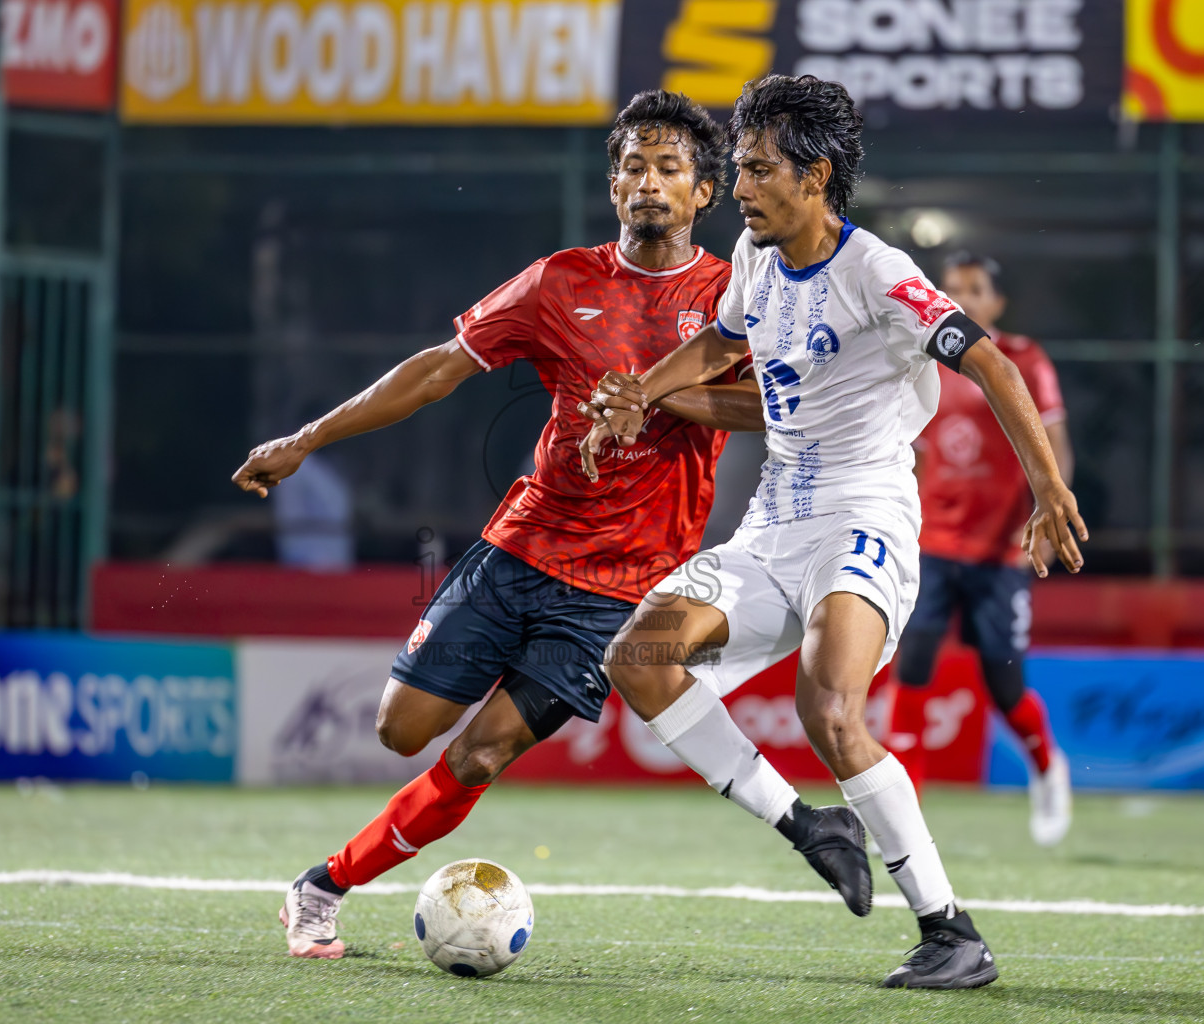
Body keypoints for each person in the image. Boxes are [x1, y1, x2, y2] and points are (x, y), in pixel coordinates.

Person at [230, 90, 874, 961]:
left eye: (669, 169)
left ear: (703, 195)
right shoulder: (560, 281)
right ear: (613, 186)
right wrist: (306, 440)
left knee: (483, 755)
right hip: (519, 549)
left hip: (619, 592)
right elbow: (434, 373)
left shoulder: (738, 291)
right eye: (632, 168)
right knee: (400, 729)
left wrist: (660, 394)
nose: (648, 183)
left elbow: (778, 402)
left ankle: (324, 885)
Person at [587, 75, 1087, 990]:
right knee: (639, 657)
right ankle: (809, 825)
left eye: (756, 169)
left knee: (829, 709)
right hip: (773, 520)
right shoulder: (754, 254)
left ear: (814, 177)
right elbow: (718, 344)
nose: (737, 186)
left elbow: (987, 362)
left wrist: (1047, 489)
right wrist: (641, 389)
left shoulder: (878, 272)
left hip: (865, 516)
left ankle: (950, 931)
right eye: (736, 168)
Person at [888, 251, 1074, 846]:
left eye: (974, 289)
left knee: (1004, 685)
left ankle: (1047, 767)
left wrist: (1048, 514)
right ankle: (904, 817)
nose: (961, 298)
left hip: (1000, 551)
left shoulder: (1022, 360)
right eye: (950, 288)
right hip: (930, 546)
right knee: (910, 666)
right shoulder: (921, 360)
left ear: (996, 302)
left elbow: (1055, 449)